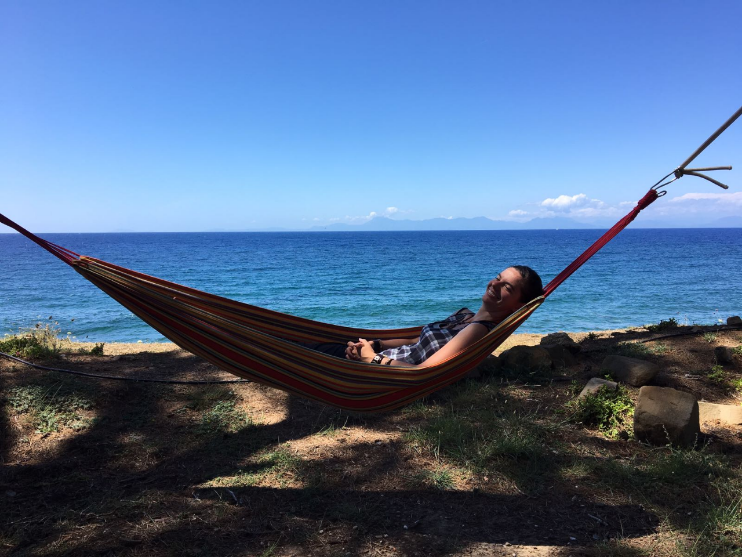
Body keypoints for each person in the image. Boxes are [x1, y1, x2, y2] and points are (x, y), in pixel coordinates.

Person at [305, 266, 542, 367]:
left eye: (507, 287)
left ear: (519, 305)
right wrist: (373, 345)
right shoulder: (464, 316)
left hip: (379, 372)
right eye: (497, 277)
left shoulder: (479, 329)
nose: (495, 284)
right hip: (376, 357)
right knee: (307, 342)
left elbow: (424, 370)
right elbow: (416, 340)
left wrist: (371, 359)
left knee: (296, 348)